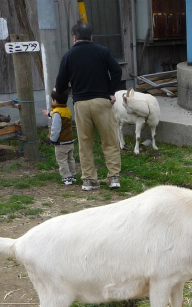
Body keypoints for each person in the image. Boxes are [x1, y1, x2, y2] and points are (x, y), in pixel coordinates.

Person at [55, 22, 122, 192]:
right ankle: (114, 177)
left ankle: (89, 180)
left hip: (81, 104)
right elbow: (116, 71)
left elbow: (61, 83)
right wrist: (111, 91)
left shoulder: (68, 55)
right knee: (110, 141)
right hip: (102, 101)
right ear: (91, 37)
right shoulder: (102, 51)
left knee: (85, 144)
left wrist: (64, 88)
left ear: (74, 37)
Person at [41, 90, 77, 185]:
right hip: (70, 140)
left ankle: (66, 177)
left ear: (55, 101)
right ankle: (73, 175)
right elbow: (58, 116)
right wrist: (48, 113)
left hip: (61, 142)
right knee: (70, 159)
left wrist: (53, 139)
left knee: (62, 160)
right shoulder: (67, 109)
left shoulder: (57, 113)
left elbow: (56, 129)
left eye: (52, 100)